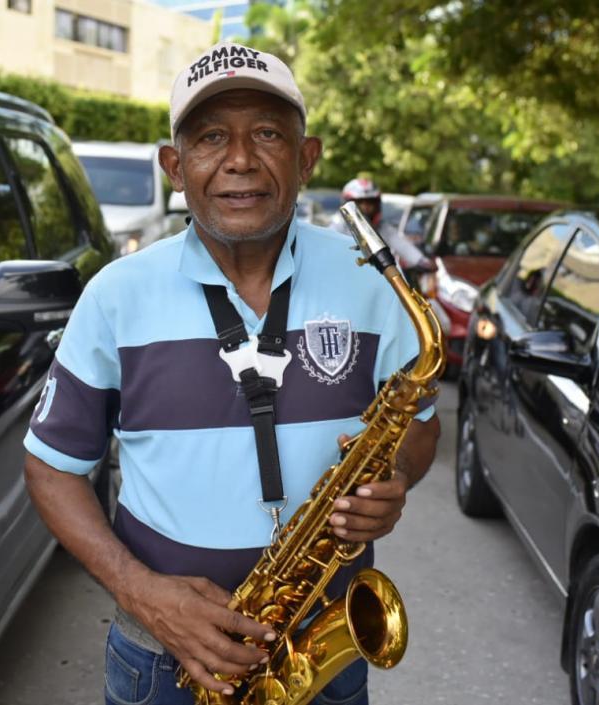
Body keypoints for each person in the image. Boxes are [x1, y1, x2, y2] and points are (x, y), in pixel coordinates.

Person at [22, 41, 440, 705]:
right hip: (164, 661)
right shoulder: (114, 295)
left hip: (319, 655)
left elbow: (418, 429)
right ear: (175, 166)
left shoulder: (373, 287)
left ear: (307, 159)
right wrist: (139, 590)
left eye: (268, 133)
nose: (240, 159)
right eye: (211, 136)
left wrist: (395, 478)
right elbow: (51, 467)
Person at [331, 177, 432, 276]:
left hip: (373, 279)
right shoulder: (339, 225)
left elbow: (402, 245)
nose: (365, 207)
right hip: (342, 275)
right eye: (359, 202)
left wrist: (421, 261)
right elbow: (329, 246)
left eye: (370, 202)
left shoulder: (381, 227)